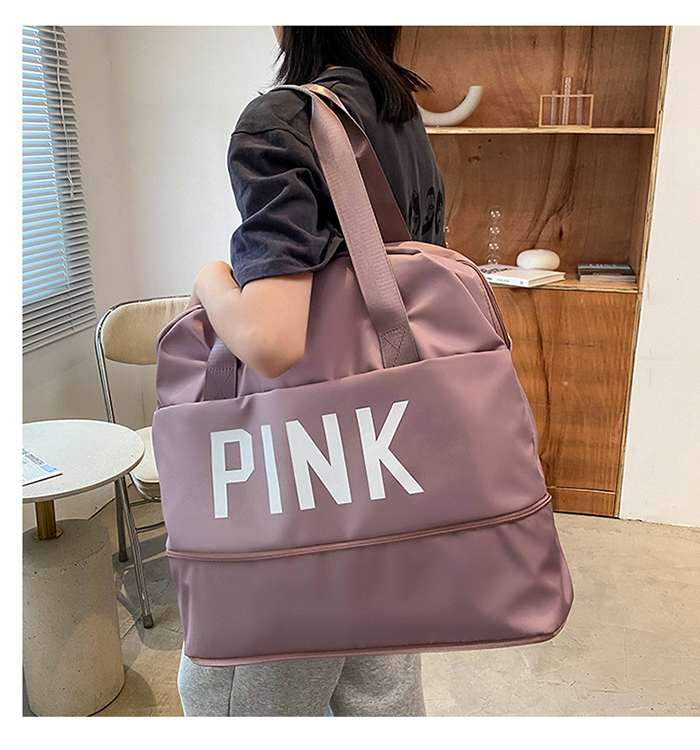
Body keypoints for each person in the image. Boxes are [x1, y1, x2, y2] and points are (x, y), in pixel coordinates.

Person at [181, 26, 446, 717]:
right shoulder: (396, 111)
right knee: (380, 699)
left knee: (237, 701)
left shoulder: (282, 121)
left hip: (307, 479)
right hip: (392, 467)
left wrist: (212, 282)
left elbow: (271, 342)